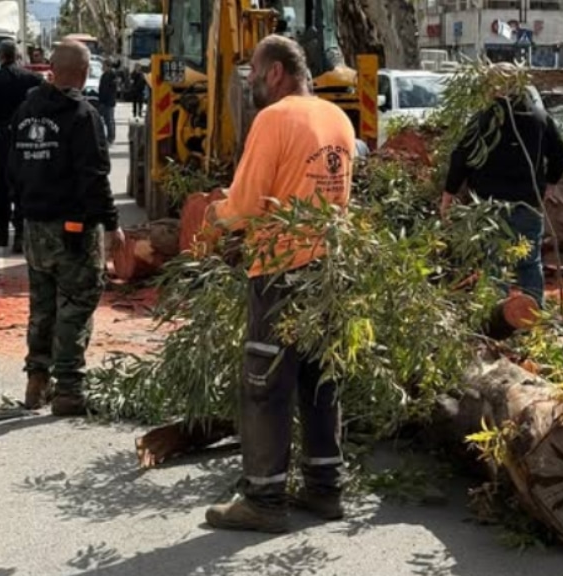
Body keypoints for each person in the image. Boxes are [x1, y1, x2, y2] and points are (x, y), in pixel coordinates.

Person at [203, 35, 355, 533]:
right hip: (328, 269)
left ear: (274, 73)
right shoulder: (338, 119)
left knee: (264, 384)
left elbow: (245, 206)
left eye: (251, 71)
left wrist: (213, 217)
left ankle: (264, 500)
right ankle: (324, 489)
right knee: (320, 380)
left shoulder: (273, 118)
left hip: (281, 270)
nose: (248, 81)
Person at [7, 40, 124, 416]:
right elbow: (95, 177)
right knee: (75, 304)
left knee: (42, 306)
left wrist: (23, 215)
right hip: (73, 230)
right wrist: (110, 224)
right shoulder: (81, 116)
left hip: (35, 228)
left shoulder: (26, 112)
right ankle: (69, 389)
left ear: (52, 69)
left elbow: (13, 170)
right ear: (85, 72)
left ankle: (36, 381)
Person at [440, 64, 563, 307]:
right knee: (530, 262)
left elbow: (461, 157)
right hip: (528, 203)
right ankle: (533, 315)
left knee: (494, 263)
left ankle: (494, 316)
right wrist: (549, 183)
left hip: (489, 207)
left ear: (493, 86)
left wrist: (448, 194)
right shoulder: (539, 118)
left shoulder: (485, 118)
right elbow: (561, 154)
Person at [0, 40, 43, 252]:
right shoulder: (33, 79)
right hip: (30, 138)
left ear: (0, 57)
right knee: (25, 185)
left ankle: (2, 230)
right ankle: (20, 233)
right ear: (18, 57)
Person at [97, 58, 117, 143]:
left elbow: (111, 90)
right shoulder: (104, 75)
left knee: (109, 120)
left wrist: (106, 100)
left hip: (108, 102)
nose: (102, 67)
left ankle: (111, 137)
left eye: (103, 65)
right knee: (104, 120)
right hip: (103, 101)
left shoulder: (112, 75)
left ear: (108, 66)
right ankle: (106, 136)